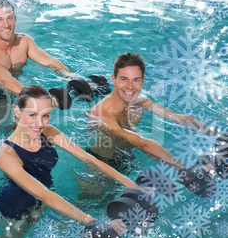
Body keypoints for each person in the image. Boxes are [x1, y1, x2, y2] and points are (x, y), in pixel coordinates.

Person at [0, 84, 151, 238]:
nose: (40, 123)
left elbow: (89, 159)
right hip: (14, 210)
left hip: (46, 198)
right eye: (32, 115)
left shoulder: (48, 133)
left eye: (46, 116)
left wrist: (132, 186)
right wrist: (96, 223)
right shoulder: (6, 155)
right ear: (17, 112)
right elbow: (43, 194)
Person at [87, 52, 218, 174]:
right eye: (124, 79)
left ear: (143, 81)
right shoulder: (101, 113)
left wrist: (217, 135)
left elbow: (179, 118)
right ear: (113, 79)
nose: (130, 86)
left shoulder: (139, 101)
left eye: (136, 80)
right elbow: (143, 143)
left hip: (127, 158)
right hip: (100, 164)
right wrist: (189, 169)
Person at [0, 0, 81, 101]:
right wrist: (38, 99)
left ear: (15, 19)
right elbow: (4, 79)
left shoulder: (24, 42)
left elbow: (50, 61)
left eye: (9, 18)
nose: (6, 24)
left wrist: (77, 78)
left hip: (17, 89)